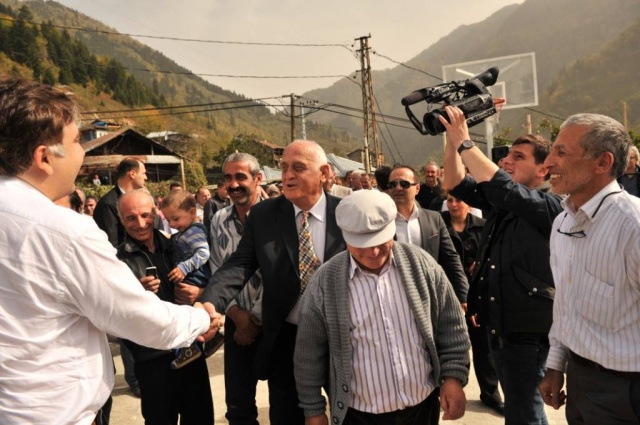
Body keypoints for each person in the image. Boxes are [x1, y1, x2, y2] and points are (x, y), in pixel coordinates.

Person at [0, 77, 220, 425]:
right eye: (75, 141)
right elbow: (139, 318)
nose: (82, 151)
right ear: (44, 157)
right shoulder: (63, 231)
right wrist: (202, 317)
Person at [294, 189, 470, 425]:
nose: (373, 252)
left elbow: (451, 327)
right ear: (345, 237)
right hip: (359, 415)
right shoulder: (325, 282)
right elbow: (308, 352)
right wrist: (313, 409)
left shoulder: (422, 265)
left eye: (379, 242)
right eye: (361, 245)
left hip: (422, 407)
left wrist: (453, 377)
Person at [201, 140, 346, 424]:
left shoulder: (346, 214)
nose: (287, 175)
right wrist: (209, 302)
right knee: (287, 413)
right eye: (284, 167)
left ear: (324, 172)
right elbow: (240, 264)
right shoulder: (265, 215)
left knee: (349, 412)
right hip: (286, 338)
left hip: (339, 335)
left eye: (298, 168)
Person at [441, 104, 563, 424]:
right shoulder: (504, 201)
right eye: (508, 155)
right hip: (503, 329)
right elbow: (455, 182)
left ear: (544, 170)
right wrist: (450, 138)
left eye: (519, 157)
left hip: (530, 334)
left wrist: (466, 142)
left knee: (524, 412)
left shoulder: (551, 204)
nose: (507, 160)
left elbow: (504, 189)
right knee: (521, 409)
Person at [538, 113, 640, 424]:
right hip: (580, 380)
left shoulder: (633, 225)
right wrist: (556, 364)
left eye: (562, 152)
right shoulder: (562, 222)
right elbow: (566, 305)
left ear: (603, 162)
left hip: (626, 391)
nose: (548, 163)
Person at [117, 189, 215, 424]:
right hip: (152, 359)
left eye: (145, 215)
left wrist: (199, 293)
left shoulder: (176, 244)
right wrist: (137, 294)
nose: (140, 223)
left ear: (155, 213)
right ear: (121, 219)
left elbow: (209, 275)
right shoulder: (118, 260)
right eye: (131, 218)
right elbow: (116, 314)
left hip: (190, 350)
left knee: (200, 419)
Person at [209, 153, 266, 424]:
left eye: (240, 177)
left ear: (258, 179)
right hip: (235, 322)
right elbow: (218, 270)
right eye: (228, 178)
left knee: (286, 403)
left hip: (277, 321)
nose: (233, 184)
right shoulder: (219, 219)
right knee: (239, 407)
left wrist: (255, 318)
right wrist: (237, 316)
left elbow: (286, 274)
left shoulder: (280, 214)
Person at [441, 194, 504, 415]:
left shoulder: (483, 226)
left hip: (478, 297)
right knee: (449, 348)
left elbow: (494, 258)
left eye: (458, 200)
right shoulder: (440, 225)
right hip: (446, 298)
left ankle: (490, 394)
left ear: (469, 203)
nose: (454, 204)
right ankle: (450, 392)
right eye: (449, 200)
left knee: (483, 348)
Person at [388, 165, 469, 307]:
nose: (398, 188)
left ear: (417, 188)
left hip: (430, 296)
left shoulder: (434, 219)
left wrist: (463, 295)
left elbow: (450, 258)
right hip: (394, 298)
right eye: (393, 184)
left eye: (404, 184)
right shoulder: (382, 222)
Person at [160, 189, 213, 369]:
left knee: (187, 316)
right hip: (190, 278)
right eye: (168, 220)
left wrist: (184, 267)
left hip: (195, 278)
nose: (172, 224)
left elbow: (203, 253)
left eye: (176, 219)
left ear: (192, 213)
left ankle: (190, 348)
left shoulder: (194, 231)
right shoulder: (184, 231)